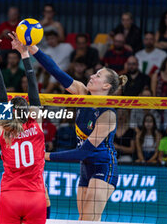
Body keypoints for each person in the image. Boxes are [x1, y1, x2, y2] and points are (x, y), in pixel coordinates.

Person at [28, 42, 127, 220]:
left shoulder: (107, 115)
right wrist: (32, 49)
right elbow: (56, 71)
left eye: (98, 76)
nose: (92, 76)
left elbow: (84, 152)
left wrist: (45, 155)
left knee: (89, 221)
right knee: (82, 220)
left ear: (106, 87)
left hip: (103, 167)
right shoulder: (82, 93)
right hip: (86, 168)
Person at [0, 31, 46, 223]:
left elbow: (1, 90)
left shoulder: (4, 127)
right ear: (29, 113)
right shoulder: (36, 124)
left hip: (10, 196)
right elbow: (33, 85)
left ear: (8, 113)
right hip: (35, 197)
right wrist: (24, 53)